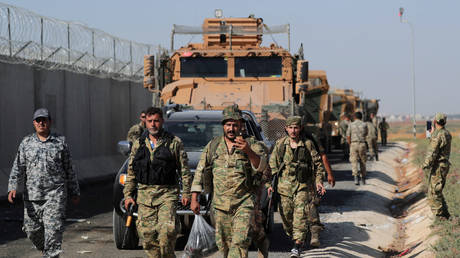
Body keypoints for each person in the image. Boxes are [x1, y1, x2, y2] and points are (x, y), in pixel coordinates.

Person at [190, 105, 268, 258]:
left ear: (241, 125)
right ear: (223, 126)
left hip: (244, 203)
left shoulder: (252, 144)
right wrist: (194, 198)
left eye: (235, 125)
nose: (231, 128)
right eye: (228, 124)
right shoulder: (213, 146)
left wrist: (248, 151)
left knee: (239, 244)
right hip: (219, 206)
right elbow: (200, 171)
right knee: (224, 246)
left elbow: (262, 167)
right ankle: (263, 241)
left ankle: (260, 242)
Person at [7, 108, 80, 258]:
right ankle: (47, 250)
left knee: (53, 233)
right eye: (38, 120)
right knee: (31, 231)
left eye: (44, 120)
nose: (41, 123)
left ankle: (51, 252)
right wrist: (12, 186)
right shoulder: (26, 143)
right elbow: (18, 167)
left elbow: (69, 169)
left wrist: (74, 190)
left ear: (50, 122)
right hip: (32, 197)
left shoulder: (60, 142)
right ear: (34, 123)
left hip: (55, 196)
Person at [123, 106, 192, 257]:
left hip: (167, 194)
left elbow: (184, 171)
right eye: (150, 121)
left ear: (162, 122)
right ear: (145, 122)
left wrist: (187, 192)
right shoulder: (138, 144)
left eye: (156, 121)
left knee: (167, 231)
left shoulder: (174, 142)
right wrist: (128, 195)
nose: (153, 124)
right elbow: (131, 172)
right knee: (147, 236)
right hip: (145, 195)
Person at [268, 116, 325, 257]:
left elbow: (318, 165)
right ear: (286, 129)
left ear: (300, 129)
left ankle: (297, 245)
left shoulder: (307, 144)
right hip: (284, 189)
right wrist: (270, 184)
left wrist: (319, 182)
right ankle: (296, 236)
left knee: (300, 217)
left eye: (296, 128)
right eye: (291, 128)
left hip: (302, 187)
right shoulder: (280, 144)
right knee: (287, 219)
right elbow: (272, 166)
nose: (293, 131)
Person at [302, 126, 334, 248]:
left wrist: (329, 174)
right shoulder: (286, 141)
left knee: (312, 204)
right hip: (292, 181)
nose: (294, 130)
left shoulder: (310, 139)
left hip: (310, 177)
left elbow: (322, 156)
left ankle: (314, 234)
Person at [422, 113, 451, 220]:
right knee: (437, 189)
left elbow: (432, 151)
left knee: (435, 191)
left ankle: (440, 216)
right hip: (443, 165)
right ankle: (445, 213)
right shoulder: (446, 133)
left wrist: (426, 165)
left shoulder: (438, 135)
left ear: (435, 121)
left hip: (438, 166)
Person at [347, 111, 368, 185]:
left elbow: (348, 136)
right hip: (362, 144)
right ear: (361, 117)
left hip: (353, 144)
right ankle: (363, 178)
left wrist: (350, 144)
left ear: (355, 117)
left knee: (354, 161)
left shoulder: (351, 125)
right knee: (363, 161)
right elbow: (366, 134)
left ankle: (356, 178)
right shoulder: (364, 124)